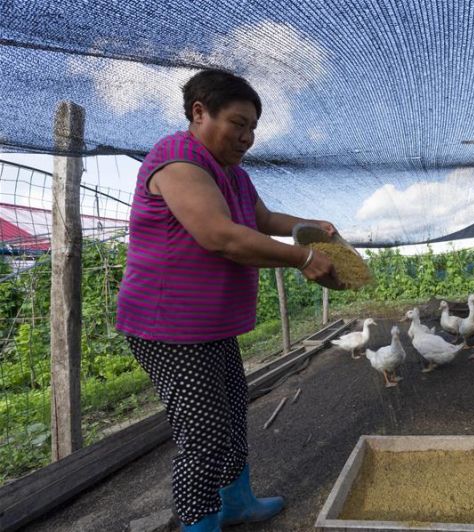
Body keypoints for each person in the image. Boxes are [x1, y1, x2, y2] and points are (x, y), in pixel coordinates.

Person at [116, 69, 339, 531]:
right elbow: (220, 237)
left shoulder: (233, 175)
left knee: (233, 414)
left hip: (210, 324)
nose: (247, 137)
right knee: (202, 435)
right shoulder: (178, 160)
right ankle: (200, 522)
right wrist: (304, 257)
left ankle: (236, 502)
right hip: (168, 326)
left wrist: (314, 223)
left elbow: (264, 218)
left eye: (253, 128)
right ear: (199, 112)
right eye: (238, 123)